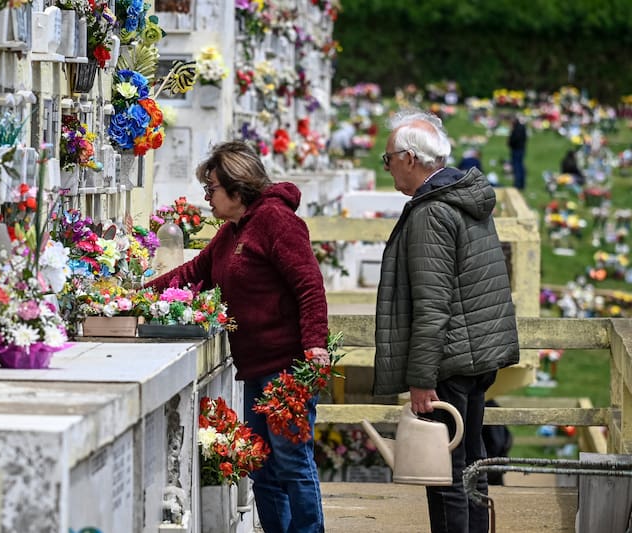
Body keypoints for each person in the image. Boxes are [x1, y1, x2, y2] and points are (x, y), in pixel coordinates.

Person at [146, 140, 330, 533]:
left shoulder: (277, 221)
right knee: (261, 463)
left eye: (211, 189)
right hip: (256, 367)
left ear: (236, 186)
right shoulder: (233, 232)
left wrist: (315, 344)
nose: (207, 198)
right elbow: (194, 270)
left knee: (292, 461)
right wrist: (138, 295)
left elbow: (310, 286)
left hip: (287, 367)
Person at [374, 109, 520, 533]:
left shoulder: (430, 213)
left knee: (445, 475)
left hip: (449, 363)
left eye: (388, 159)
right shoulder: (464, 198)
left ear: (411, 158)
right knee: (470, 465)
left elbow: (432, 305)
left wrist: (421, 379)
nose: (387, 168)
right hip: (476, 357)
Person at [508, 116, 527, 189]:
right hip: (521, 149)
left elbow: (514, 139)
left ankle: (518, 184)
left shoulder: (516, 129)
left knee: (517, 167)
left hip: (517, 150)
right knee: (521, 166)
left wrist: (510, 141)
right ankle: (522, 184)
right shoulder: (522, 128)